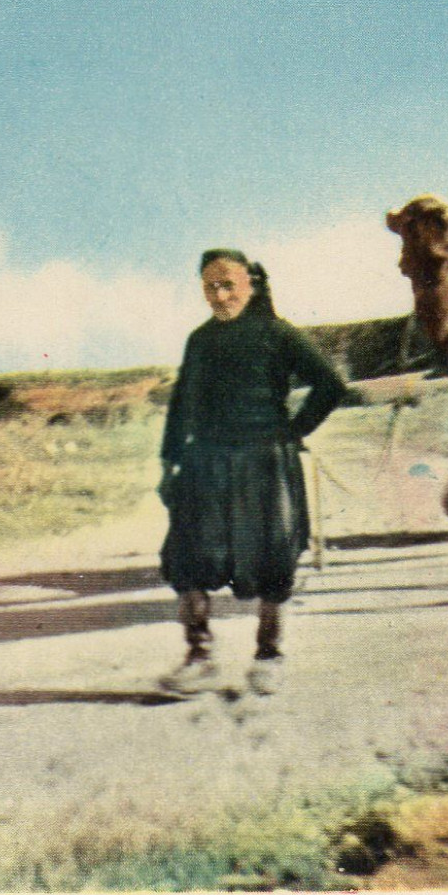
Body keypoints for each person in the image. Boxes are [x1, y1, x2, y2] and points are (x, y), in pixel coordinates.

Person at [157, 249, 347, 696]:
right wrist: (169, 463)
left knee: (274, 557)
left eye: (228, 285)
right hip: (205, 464)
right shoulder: (199, 340)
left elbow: (330, 385)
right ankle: (199, 655)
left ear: (252, 285)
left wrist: (292, 431)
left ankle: (268, 655)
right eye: (210, 286)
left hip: (264, 463)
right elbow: (182, 404)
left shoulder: (278, 334)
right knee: (188, 558)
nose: (220, 295)